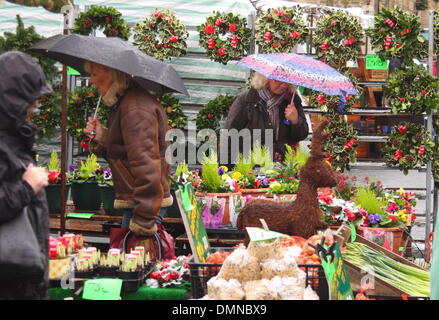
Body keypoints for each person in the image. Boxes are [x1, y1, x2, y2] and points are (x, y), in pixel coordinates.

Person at [83, 61, 172, 236]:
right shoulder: (129, 103)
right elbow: (125, 152)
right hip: (140, 202)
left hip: (143, 207)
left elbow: (146, 164)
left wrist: (143, 221)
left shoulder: (135, 108)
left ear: (112, 74)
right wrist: (102, 136)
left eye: (94, 74)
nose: (91, 81)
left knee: (136, 260)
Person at [0, 51, 51, 299]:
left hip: (23, 277)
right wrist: (27, 187)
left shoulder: (14, 139)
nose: (35, 106)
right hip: (9, 279)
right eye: (31, 99)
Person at [223, 72, 309, 164]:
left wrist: (295, 121)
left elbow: (301, 135)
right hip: (250, 165)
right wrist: (226, 169)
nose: (284, 85)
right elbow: (230, 135)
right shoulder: (246, 100)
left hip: (281, 167)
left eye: (287, 81)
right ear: (265, 78)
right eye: (278, 80)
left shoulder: (292, 100)